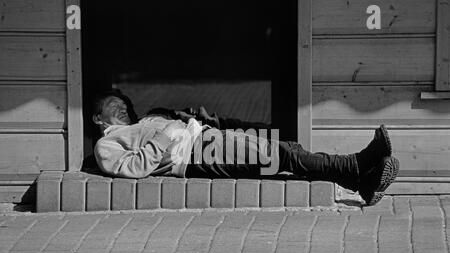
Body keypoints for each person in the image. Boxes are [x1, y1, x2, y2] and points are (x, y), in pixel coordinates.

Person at [91, 90, 399, 206]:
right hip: (195, 153)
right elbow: (131, 168)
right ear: (97, 117)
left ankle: (360, 181)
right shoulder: (106, 144)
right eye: (113, 105)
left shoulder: (142, 121)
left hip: (203, 140)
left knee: (285, 150)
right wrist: (164, 137)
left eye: (124, 104)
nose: (121, 107)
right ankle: (356, 165)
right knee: (282, 156)